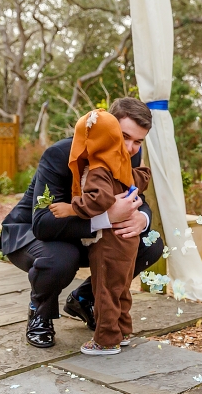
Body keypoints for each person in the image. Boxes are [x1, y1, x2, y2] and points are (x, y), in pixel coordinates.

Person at [0, 98, 162, 348]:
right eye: (124, 137)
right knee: (62, 257)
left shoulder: (128, 152)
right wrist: (107, 217)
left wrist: (143, 218)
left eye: (138, 141)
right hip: (32, 234)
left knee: (150, 244)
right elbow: (43, 222)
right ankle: (40, 312)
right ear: (106, 127)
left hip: (86, 236)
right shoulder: (59, 154)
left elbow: (135, 196)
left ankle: (84, 298)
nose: (130, 148)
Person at [48, 109, 150, 355]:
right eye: (124, 137)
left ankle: (106, 340)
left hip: (109, 242)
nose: (131, 147)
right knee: (120, 289)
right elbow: (141, 178)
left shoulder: (99, 169)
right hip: (127, 241)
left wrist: (71, 208)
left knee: (104, 292)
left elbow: (99, 199)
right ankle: (124, 331)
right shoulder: (121, 165)